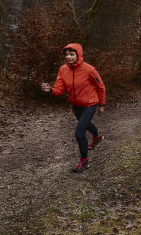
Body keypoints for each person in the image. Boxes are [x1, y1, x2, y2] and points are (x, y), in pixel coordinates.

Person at [41, 43, 106, 172]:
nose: (68, 57)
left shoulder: (89, 69)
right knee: (86, 124)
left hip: (90, 103)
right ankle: (97, 137)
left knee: (79, 133)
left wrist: (101, 104)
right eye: (66, 54)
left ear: (78, 54)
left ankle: (84, 161)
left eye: (71, 54)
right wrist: (50, 90)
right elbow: (59, 89)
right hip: (76, 105)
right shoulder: (63, 69)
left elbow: (100, 86)